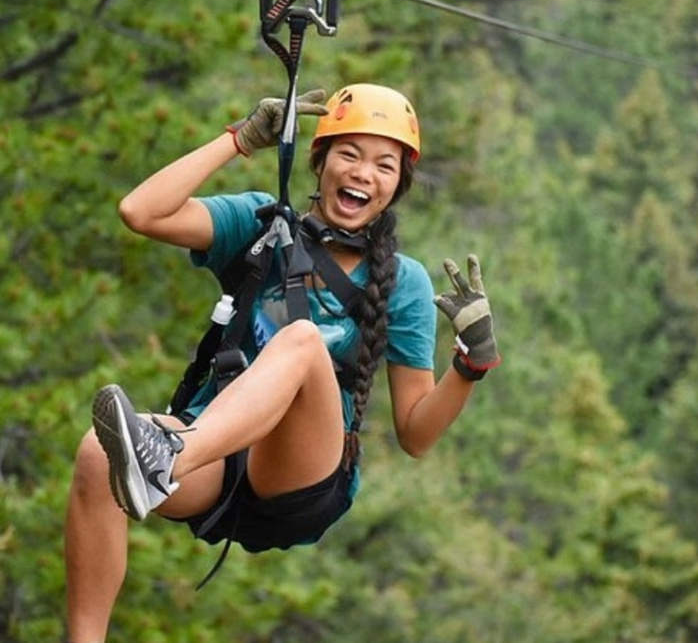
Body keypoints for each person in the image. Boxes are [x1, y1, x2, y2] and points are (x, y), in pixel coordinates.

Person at [64, 83, 501, 642]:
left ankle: (165, 461)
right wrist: (239, 141)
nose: (363, 173)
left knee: (302, 342)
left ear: (397, 186)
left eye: (384, 166)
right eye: (349, 154)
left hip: (301, 477)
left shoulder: (403, 282)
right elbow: (140, 211)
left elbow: (415, 435)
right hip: (218, 459)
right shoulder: (262, 224)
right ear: (320, 161)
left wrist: (469, 364)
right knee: (97, 452)